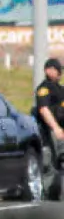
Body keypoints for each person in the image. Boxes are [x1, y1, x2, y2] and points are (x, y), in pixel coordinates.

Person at [35, 57, 64, 194]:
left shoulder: (60, 89)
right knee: (50, 163)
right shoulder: (44, 89)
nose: (57, 73)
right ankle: (50, 194)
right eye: (52, 69)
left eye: (57, 70)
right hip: (50, 131)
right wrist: (55, 128)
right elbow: (44, 110)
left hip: (60, 130)